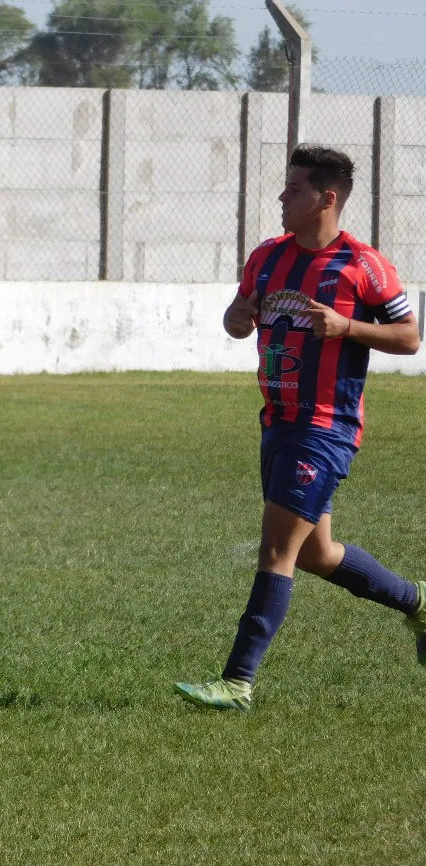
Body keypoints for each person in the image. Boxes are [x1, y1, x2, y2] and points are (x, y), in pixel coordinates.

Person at [175, 144, 424, 712]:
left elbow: (410, 339)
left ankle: (237, 681)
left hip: (324, 427)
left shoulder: (364, 265)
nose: (282, 198)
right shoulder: (266, 257)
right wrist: (235, 319)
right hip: (277, 421)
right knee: (317, 553)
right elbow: (239, 319)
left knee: (275, 551)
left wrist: (347, 326)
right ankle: (417, 602)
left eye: (294, 189)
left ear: (326, 198)